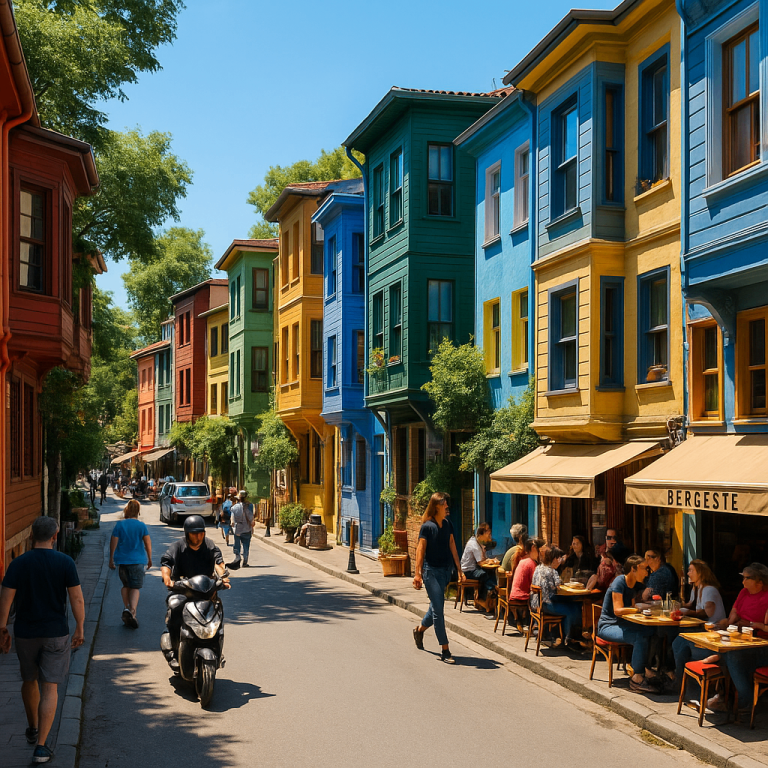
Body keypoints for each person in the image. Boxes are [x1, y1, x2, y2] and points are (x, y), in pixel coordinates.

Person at [0, 517, 85, 764]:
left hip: (25, 633)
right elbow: (77, 599)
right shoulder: (65, 562)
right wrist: (80, 627)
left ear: (30, 536)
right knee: (50, 687)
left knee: (28, 679)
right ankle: (41, 746)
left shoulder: (18, 563)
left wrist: (2, 628)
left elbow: (5, 598)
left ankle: (32, 726)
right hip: (56, 633)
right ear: (54, 536)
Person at [160, 515, 229, 670]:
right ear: (187, 534)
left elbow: (218, 563)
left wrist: (223, 577)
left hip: (205, 591)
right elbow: (166, 562)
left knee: (217, 610)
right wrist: (167, 578)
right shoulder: (178, 546)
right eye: (194, 533)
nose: (198, 537)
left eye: (200, 533)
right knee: (175, 607)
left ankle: (217, 647)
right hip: (183, 590)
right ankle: (173, 645)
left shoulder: (209, 545)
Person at [709, 563, 768, 715]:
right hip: (742, 638)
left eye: (747, 578)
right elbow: (733, 614)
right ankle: (727, 698)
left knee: (732, 657)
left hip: (762, 644)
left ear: (759, 582)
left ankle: (743, 701)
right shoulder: (743, 592)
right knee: (725, 652)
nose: (743, 582)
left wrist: (751, 624)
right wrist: (729, 624)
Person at [412, 492, 464, 664]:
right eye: (444, 505)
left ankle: (419, 630)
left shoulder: (448, 524)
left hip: (445, 571)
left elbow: (453, 546)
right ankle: (445, 649)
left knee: (435, 607)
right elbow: (420, 550)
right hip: (431, 572)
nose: (447, 507)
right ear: (436, 507)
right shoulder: (427, 526)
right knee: (439, 611)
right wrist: (417, 573)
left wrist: (460, 570)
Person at [597, 554, 658, 693]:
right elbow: (618, 610)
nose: (647, 572)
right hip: (608, 626)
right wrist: (638, 608)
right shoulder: (620, 582)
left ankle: (645, 669)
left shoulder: (633, 585)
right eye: (644, 568)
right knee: (639, 636)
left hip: (622, 624)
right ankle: (636, 679)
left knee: (651, 631)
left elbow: (630, 610)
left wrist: (645, 607)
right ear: (633, 569)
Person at [667, 559, 727, 690]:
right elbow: (691, 604)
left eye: (691, 570)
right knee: (676, 640)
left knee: (679, 642)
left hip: (712, 630)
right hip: (702, 628)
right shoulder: (697, 588)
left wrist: (686, 612)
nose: (688, 573)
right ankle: (681, 679)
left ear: (700, 572)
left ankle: (681, 681)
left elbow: (706, 613)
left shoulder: (709, 590)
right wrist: (677, 606)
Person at [108, 499, 152, 629]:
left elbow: (113, 542)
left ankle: (126, 608)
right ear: (138, 512)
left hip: (122, 561)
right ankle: (132, 612)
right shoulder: (141, 526)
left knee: (125, 585)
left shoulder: (120, 525)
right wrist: (150, 558)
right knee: (135, 587)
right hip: (137, 561)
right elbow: (147, 544)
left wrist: (111, 559)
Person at [532, 545, 584, 648]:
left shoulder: (539, 568)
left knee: (575, 604)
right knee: (571, 610)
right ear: (555, 558)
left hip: (537, 604)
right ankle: (567, 638)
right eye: (559, 558)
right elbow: (558, 587)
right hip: (547, 604)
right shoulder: (552, 571)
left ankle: (567, 636)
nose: (560, 561)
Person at [460, 523, 497, 612]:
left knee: (489, 573)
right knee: (484, 575)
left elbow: (482, 559)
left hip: (474, 568)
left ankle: (486, 596)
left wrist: (489, 560)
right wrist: (489, 562)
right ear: (482, 534)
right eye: (488, 533)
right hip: (468, 571)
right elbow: (481, 563)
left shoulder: (478, 543)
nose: (490, 535)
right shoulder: (474, 545)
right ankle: (490, 593)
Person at [229, 490, 254, 568]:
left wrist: (232, 524)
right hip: (247, 528)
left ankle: (237, 557)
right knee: (246, 545)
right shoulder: (250, 506)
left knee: (237, 545)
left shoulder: (234, 507)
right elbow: (252, 519)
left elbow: (232, 520)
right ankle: (245, 561)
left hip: (237, 529)